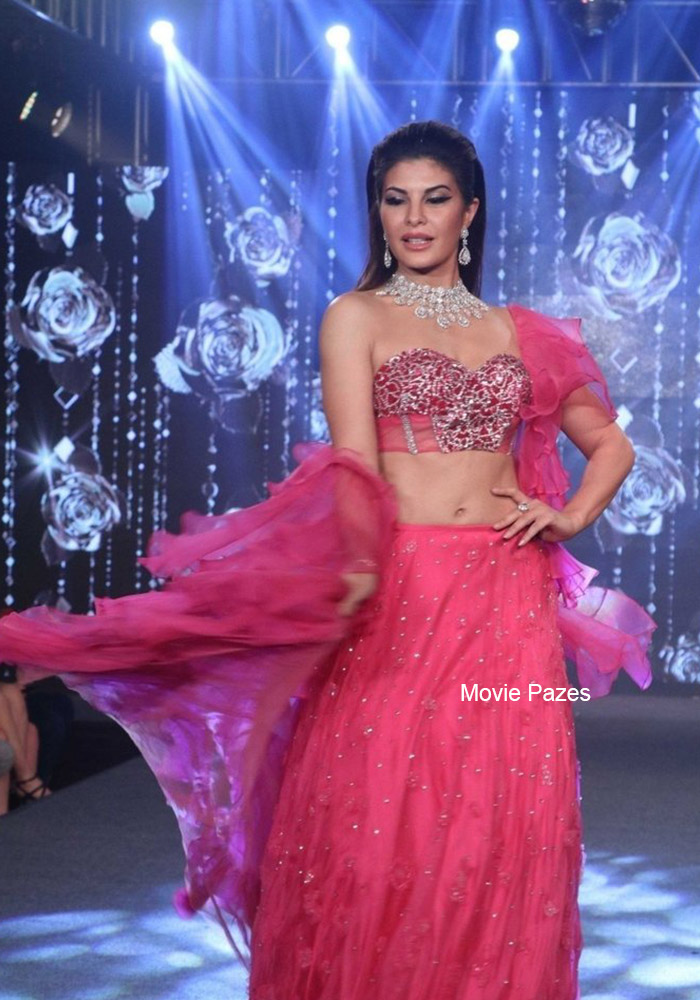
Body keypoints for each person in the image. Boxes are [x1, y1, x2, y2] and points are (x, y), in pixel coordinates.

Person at [0, 121, 654, 999]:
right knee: (382, 810)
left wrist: (567, 514)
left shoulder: (521, 332)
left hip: (507, 594)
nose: (413, 218)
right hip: (404, 587)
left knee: (500, 814)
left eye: (434, 199)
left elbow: (611, 446)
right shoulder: (356, 316)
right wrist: (353, 575)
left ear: (470, 211)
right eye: (395, 200)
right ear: (377, 212)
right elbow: (354, 467)